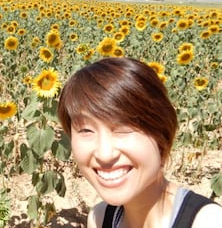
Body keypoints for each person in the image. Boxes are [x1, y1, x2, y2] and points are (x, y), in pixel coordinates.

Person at [57, 57, 222, 228]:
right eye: (85, 130)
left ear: (162, 133)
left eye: (123, 128)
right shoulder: (100, 218)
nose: (104, 154)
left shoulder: (209, 222)